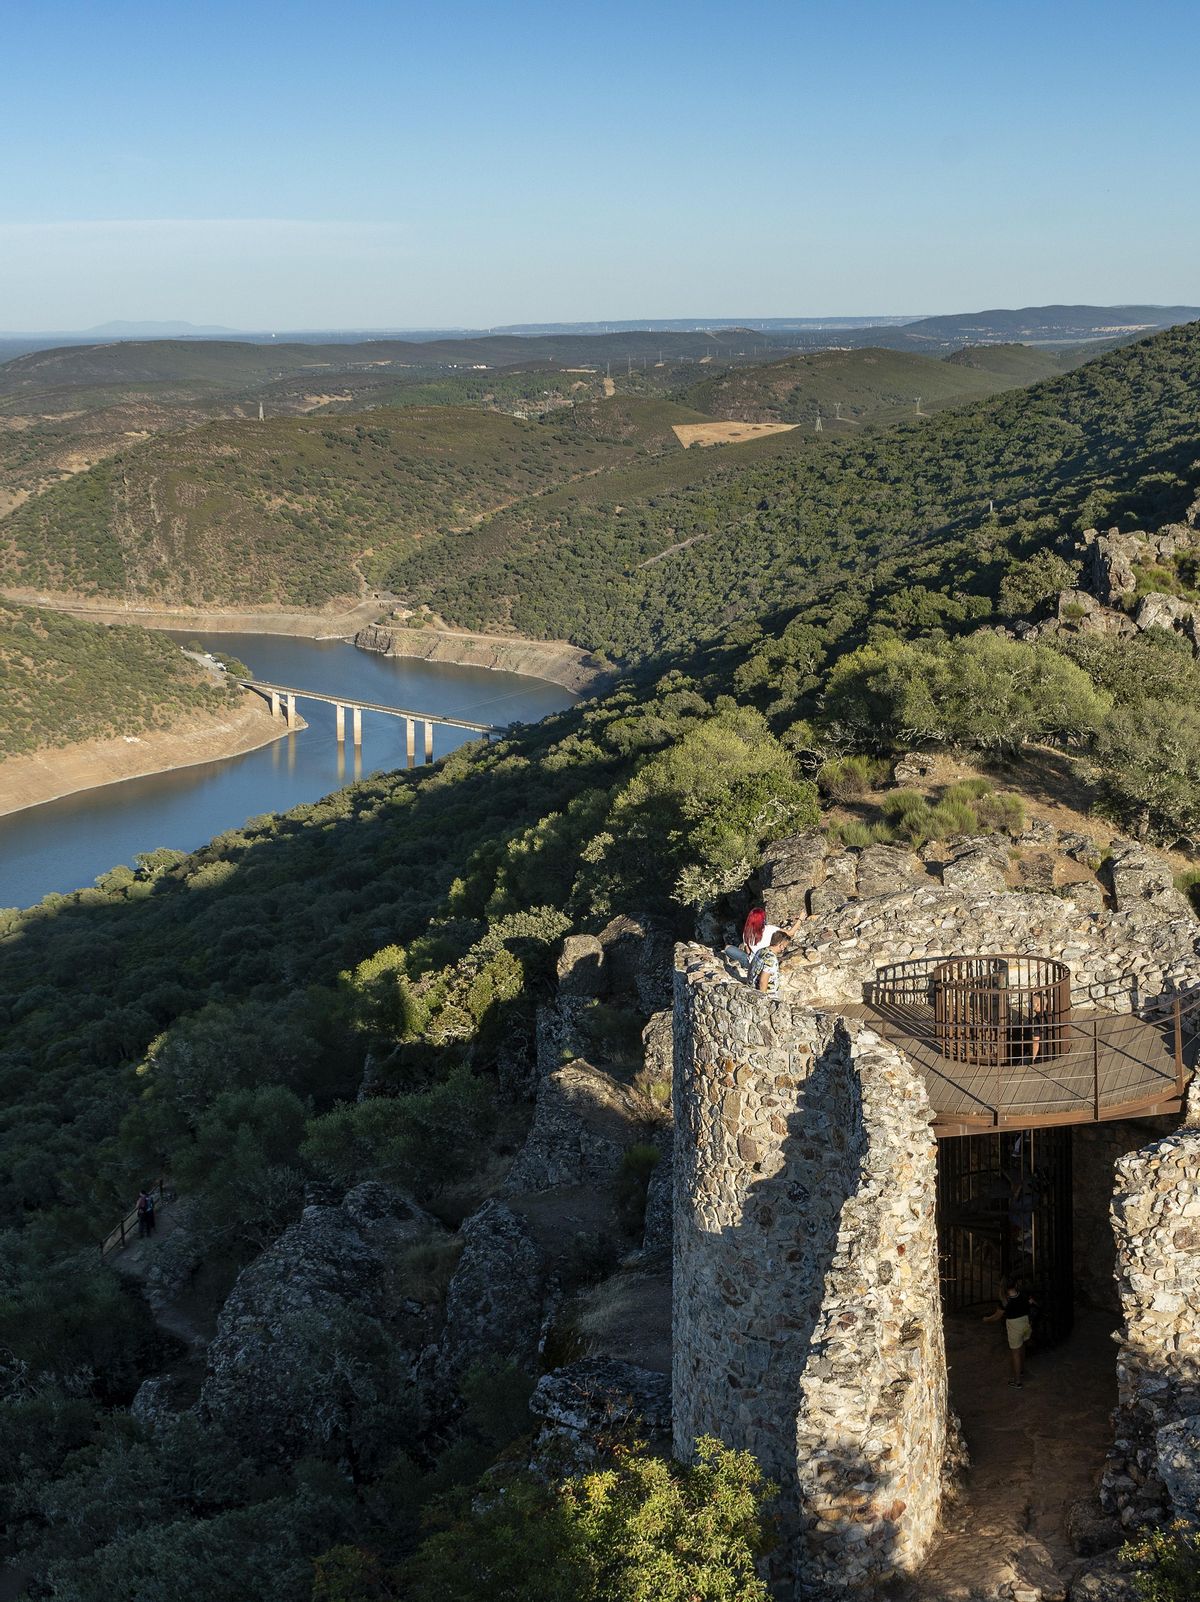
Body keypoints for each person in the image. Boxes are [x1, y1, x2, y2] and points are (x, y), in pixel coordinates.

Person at [983, 1278, 1036, 1387]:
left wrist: (987, 1319)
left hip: (1014, 1327)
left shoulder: (1005, 1301)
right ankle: (1021, 1370)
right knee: (1022, 1346)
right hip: (1026, 1324)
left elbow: (997, 1316)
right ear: (1016, 1284)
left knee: (1015, 1353)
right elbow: (1032, 1303)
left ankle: (1017, 1382)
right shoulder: (1023, 1295)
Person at [724, 906, 805, 976]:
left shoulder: (747, 932)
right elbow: (790, 933)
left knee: (728, 948)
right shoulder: (770, 929)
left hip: (752, 963)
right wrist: (800, 919)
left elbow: (748, 951)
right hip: (765, 962)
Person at [748, 930, 790, 994]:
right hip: (766, 993)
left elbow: (751, 967)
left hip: (752, 987)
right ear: (780, 945)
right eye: (784, 946)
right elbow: (763, 981)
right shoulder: (771, 959)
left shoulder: (761, 950)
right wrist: (763, 997)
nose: (783, 949)